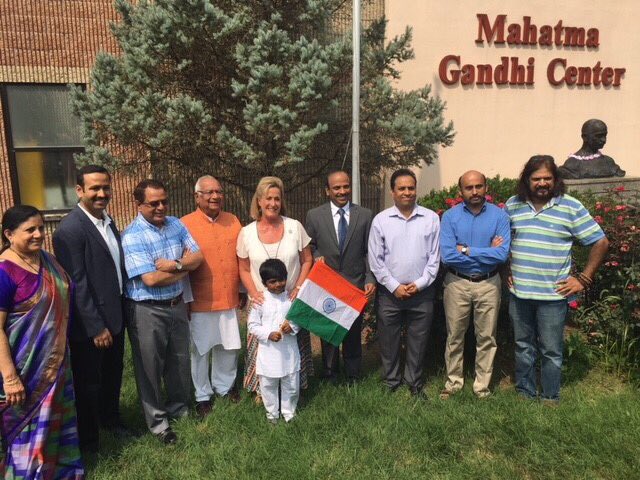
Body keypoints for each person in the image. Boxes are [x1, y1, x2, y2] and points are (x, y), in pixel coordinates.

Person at [506, 155, 609, 403]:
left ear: (555, 180)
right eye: (536, 178)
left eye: (547, 178)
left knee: (551, 350)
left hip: (553, 296)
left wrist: (583, 279)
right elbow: (501, 243)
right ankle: (524, 392)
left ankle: (550, 396)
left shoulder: (570, 206)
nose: (542, 183)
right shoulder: (512, 205)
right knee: (523, 345)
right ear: (526, 180)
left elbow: (601, 241)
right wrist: (505, 271)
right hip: (519, 293)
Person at [0, 205, 84, 478]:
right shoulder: (4, 272)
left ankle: (60, 471)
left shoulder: (47, 260)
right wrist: (10, 378)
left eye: (40, 228)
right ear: (9, 234)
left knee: (58, 422)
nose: (38, 234)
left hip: (56, 364)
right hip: (23, 370)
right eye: (30, 230)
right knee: (25, 429)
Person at [122, 179, 203, 444]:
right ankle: (158, 424)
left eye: (164, 201)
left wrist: (174, 264)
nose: (160, 207)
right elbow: (151, 279)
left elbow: (198, 257)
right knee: (150, 368)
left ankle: (179, 410)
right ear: (139, 204)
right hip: (147, 310)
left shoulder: (176, 224)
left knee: (179, 361)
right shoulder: (132, 235)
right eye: (153, 203)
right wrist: (184, 269)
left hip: (176, 305)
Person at [52, 165, 127, 453]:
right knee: (89, 384)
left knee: (112, 374)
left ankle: (111, 421)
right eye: (94, 188)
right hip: (91, 325)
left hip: (115, 315)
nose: (101, 193)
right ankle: (89, 441)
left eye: (106, 187)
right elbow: (77, 283)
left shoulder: (107, 220)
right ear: (79, 190)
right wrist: (96, 327)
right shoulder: (70, 230)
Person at [237, 176, 313, 401]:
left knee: (291, 341)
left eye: (277, 199)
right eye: (268, 198)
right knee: (264, 344)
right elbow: (243, 268)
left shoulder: (294, 227)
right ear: (259, 202)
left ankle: (295, 385)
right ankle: (262, 389)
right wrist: (254, 293)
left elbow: (307, 260)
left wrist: (299, 286)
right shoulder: (246, 232)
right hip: (261, 303)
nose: (273, 203)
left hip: (290, 299)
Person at [368, 168, 440, 399]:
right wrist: (394, 286)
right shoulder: (381, 220)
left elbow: (434, 258)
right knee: (388, 340)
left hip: (422, 292)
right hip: (390, 293)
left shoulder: (431, 218)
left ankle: (414, 382)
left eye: (411, 188)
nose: (407, 192)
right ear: (393, 192)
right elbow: (375, 260)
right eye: (402, 188)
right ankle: (391, 380)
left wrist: (419, 284)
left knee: (418, 340)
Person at [439, 171, 511, 400]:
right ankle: (453, 383)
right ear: (460, 191)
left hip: (489, 283)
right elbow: (448, 256)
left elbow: (501, 255)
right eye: (469, 188)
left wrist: (467, 250)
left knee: (487, 337)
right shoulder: (449, 217)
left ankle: (482, 387)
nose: (475, 191)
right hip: (456, 283)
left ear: (486, 187)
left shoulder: (500, 216)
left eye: (479, 186)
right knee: (454, 336)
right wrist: (487, 251)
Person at [181, 175, 243, 417]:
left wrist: (242, 290)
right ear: (197, 197)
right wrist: (186, 299)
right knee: (200, 349)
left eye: (219, 191)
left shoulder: (233, 220)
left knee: (229, 346)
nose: (215, 196)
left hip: (228, 297)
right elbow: (183, 264)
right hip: (199, 300)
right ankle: (202, 395)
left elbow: (241, 258)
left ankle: (224, 387)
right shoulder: (184, 224)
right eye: (209, 192)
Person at [305, 170, 375, 383]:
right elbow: (310, 246)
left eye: (346, 186)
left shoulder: (365, 215)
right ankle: (330, 373)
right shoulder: (314, 216)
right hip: (327, 284)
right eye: (337, 188)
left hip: (355, 284)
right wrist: (316, 256)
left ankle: (353, 374)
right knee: (328, 331)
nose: (342, 191)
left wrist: (370, 278)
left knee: (352, 332)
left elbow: (369, 251)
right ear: (327, 191)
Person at [247, 259, 300, 423]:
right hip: (268, 352)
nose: (278, 284)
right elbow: (252, 325)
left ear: (286, 278)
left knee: (291, 383)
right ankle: (272, 415)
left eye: (281, 280)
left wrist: (292, 327)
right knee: (268, 385)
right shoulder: (260, 301)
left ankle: (289, 413)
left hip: (289, 351)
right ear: (264, 283)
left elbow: (299, 319)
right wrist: (268, 334)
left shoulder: (291, 299)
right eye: (273, 281)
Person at [558, 119, 625, 179]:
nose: (604, 140)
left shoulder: (609, 162)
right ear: (585, 137)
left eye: (605, 135)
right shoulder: (572, 164)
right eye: (599, 136)